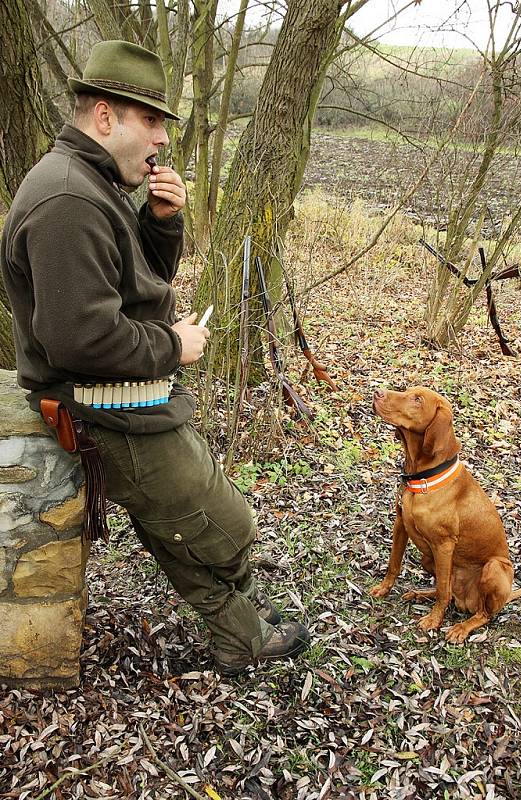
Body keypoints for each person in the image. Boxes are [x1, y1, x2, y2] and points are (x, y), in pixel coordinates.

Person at [1, 40, 310, 676]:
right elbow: (77, 338)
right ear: (106, 116)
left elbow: (129, 281)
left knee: (177, 521)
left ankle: (242, 630)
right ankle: (243, 619)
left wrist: (161, 221)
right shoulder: (68, 199)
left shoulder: (94, 181)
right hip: (101, 403)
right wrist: (175, 345)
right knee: (220, 527)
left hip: (128, 391)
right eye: (153, 121)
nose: (163, 139)